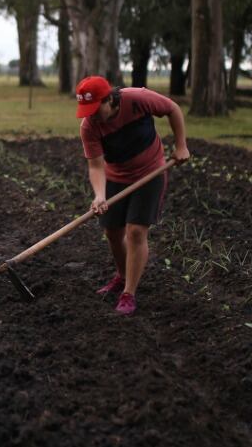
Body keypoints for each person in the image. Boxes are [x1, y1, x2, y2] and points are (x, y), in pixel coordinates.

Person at [76, 75, 190, 316]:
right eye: (88, 110)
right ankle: (122, 275)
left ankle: (129, 292)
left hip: (151, 173)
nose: (92, 115)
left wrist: (181, 145)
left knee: (136, 231)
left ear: (110, 99)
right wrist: (99, 196)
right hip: (116, 176)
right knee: (113, 232)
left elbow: (172, 108)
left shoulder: (137, 99)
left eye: (96, 109)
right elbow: (96, 166)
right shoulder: (89, 126)